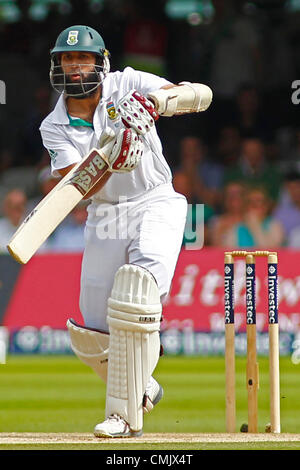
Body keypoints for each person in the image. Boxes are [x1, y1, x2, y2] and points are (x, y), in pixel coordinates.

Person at [39, 25, 213, 438]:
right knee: (91, 335)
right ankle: (142, 385)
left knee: (138, 293)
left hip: (155, 201)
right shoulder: (54, 126)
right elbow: (80, 185)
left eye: (83, 59)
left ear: (102, 63)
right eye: (67, 59)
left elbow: (199, 94)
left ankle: (121, 416)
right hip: (104, 215)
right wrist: (114, 156)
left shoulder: (129, 82)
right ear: (57, 66)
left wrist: (153, 103)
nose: (75, 66)